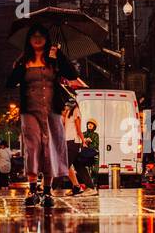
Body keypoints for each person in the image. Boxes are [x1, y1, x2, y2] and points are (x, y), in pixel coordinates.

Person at [6, 25, 77, 209]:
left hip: (52, 112)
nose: (37, 39)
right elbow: (10, 82)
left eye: (41, 36)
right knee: (33, 147)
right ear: (29, 40)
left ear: (47, 39)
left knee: (50, 148)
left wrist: (59, 56)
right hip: (30, 111)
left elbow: (72, 74)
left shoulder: (54, 60)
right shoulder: (24, 61)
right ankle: (32, 190)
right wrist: (19, 66)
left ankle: (47, 191)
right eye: (34, 36)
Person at [62, 99, 89, 195]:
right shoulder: (68, 112)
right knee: (76, 166)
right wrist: (64, 115)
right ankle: (77, 187)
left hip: (73, 141)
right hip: (67, 141)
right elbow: (63, 125)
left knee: (64, 165)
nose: (66, 105)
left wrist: (83, 141)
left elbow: (78, 129)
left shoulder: (76, 111)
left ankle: (46, 188)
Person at [83, 118, 100, 188]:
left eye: (91, 124)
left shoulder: (96, 135)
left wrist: (90, 142)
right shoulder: (83, 133)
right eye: (89, 124)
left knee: (94, 171)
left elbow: (96, 145)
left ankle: (94, 185)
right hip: (85, 154)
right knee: (85, 170)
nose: (90, 125)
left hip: (94, 154)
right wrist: (84, 141)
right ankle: (87, 185)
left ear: (94, 126)